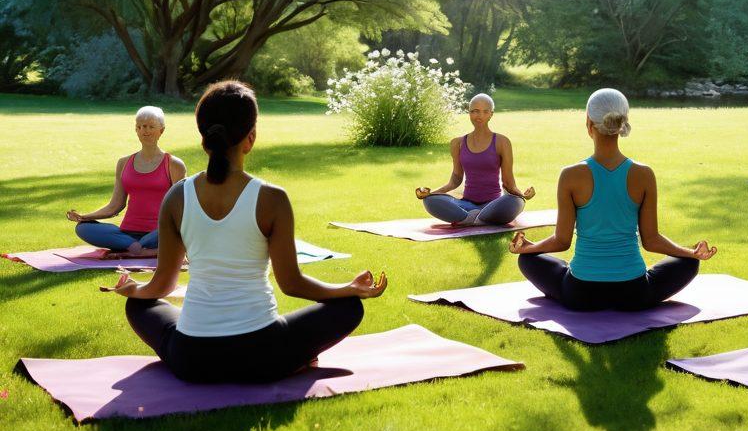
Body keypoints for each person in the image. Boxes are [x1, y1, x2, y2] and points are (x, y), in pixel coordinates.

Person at [103, 81, 386, 383]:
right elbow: (292, 284)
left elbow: (162, 285)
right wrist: (347, 289)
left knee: (139, 304)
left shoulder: (176, 196)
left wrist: (135, 290)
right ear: (250, 138)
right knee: (348, 308)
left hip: (191, 359)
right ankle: (297, 359)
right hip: (263, 355)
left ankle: (262, 358)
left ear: (204, 139)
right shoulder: (272, 198)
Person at [510, 88, 717, 311]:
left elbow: (561, 241)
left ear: (588, 123)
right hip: (634, 293)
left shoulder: (570, 175)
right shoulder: (644, 174)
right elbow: (651, 240)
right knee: (689, 263)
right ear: (622, 122)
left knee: (528, 260)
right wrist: (691, 253)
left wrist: (529, 248)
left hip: (580, 294)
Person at [67, 106, 187, 258]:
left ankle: (134, 248)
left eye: (151, 127)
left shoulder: (174, 164)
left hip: (158, 232)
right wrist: (84, 217)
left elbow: (182, 208)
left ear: (161, 130)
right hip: (127, 233)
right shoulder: (123, 163)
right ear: (136, 130)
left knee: (178, 227)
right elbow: (115, 205)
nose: (145, 131)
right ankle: (141, 249)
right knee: (83, 228)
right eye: (141, 126)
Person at [415, 93, 535, 227]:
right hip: (466, 204)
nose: (479, 116)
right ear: (469, 113)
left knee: (515, 202)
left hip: (494, 204)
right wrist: (431, 194)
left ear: (491, 114)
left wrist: (523, 195)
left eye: (485, 111)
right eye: (475, 111)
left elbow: (508, 183)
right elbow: (456, 179)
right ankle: (477, 218)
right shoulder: (457, 143)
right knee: (429, 201)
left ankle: (473, 218)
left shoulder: (502, 142)